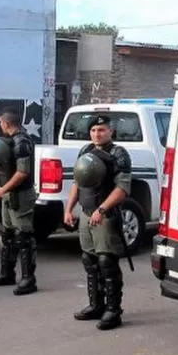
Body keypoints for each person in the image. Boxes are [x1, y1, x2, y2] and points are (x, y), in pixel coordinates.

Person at [64, 115, 132, 331]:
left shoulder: (118, 154)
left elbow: (122, 188)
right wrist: (69, 209)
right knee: (90, 260)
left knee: (107, 262)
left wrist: (102, 209)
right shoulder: (85, 151)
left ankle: (113, 310)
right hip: (86, 212)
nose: (97, 134)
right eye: (93, 130)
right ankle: (96, 305)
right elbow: (77, 183)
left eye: (101, 130)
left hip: (105, 215)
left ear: (110, 131)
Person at [0, 109, 38, 296]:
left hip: (20, 195)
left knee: (23, 237)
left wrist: (3, 188)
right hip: (8, 195)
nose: (0, 125)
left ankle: (28, 279)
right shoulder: (9, 140)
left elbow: (22, 172)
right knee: (8, 236)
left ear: (5, 123)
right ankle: (7, 273)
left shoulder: (21, 142)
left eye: (0, 122)